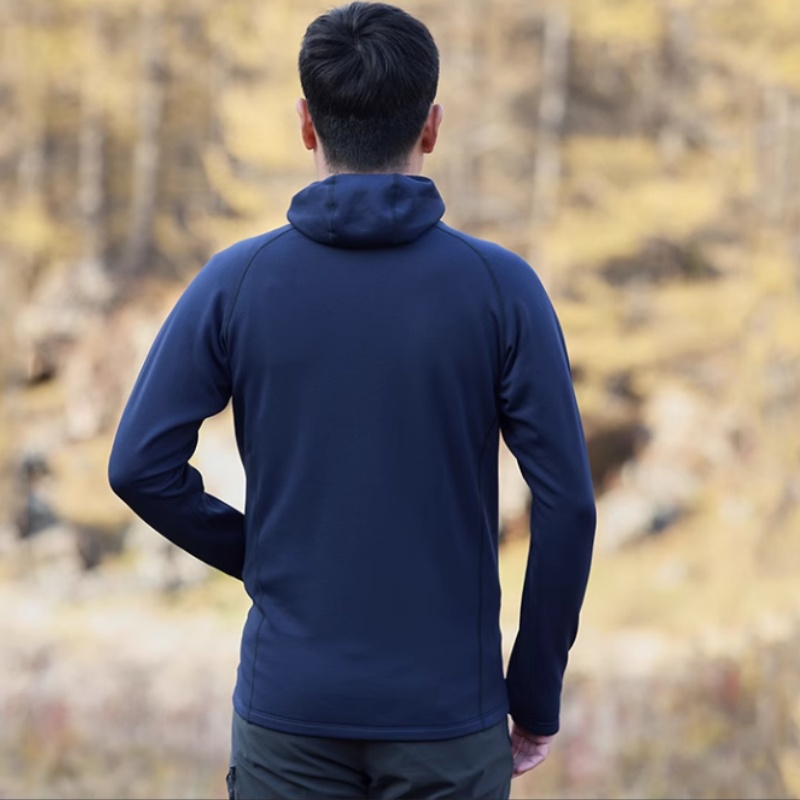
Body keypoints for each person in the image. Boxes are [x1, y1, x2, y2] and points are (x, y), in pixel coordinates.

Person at [108, 3, 596, 798]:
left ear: (306, 124)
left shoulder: (236, 283)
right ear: (431, 127)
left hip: (288, 713)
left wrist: (261, 557)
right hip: (449, 718)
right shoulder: (501, 289)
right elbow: (567, 504)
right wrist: (535, 694)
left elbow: (139, 467)